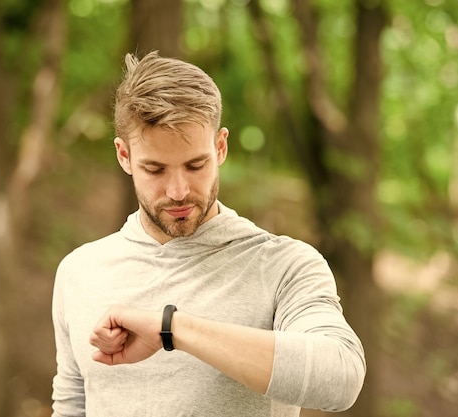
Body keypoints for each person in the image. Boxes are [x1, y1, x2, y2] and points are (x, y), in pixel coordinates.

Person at [51, 51, 365, 417]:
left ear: (220, 147)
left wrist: (171, 329)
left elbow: (341, 378)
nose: (178, 190)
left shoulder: (283, 266)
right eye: (155, 169)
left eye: (195, 165)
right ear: (123, 156)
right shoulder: (80, 271)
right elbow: (71, 406)